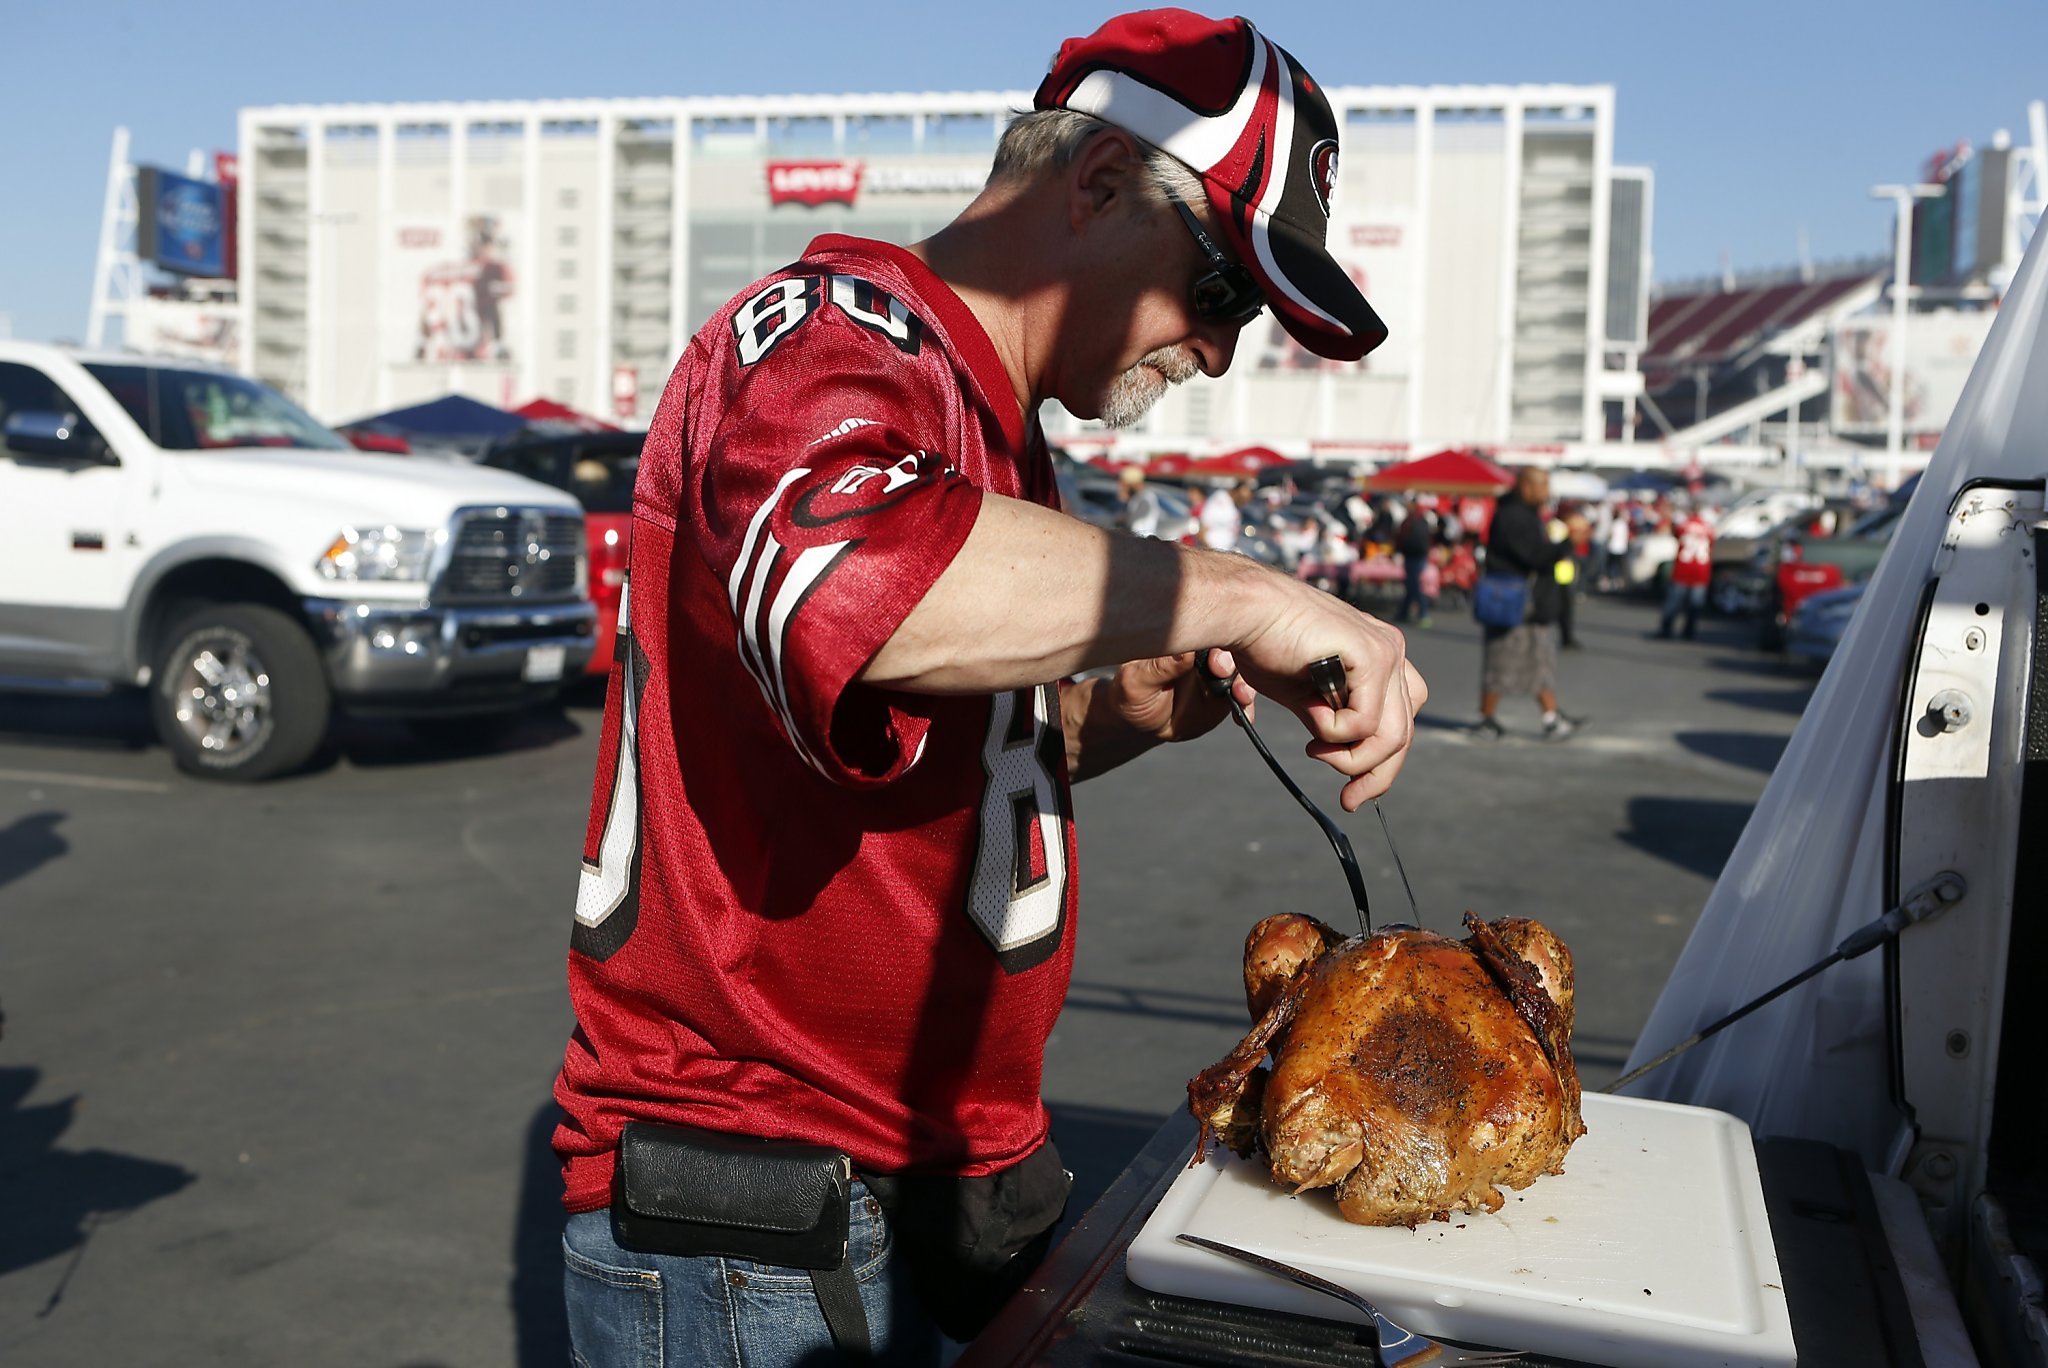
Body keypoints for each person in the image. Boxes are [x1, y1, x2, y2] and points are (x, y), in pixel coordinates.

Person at [551, 13, 1427, 1368]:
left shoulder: (985, 415)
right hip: (760, 1194)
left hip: (919, 1171)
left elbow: (890, 769)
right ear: (1097, 187)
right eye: (1222, 294)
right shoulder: (833, 328)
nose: (1220, 353)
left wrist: (1105, 720)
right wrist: (1246, 591)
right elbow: (846, 585)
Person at [1472, 466, 1579, 741]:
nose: (1547, 492)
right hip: (1513, 602)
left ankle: (1552, 716)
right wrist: (1565, 545)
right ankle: (1487, 719)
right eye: (1543, 485)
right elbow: (1533, 555)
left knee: (1539, 661)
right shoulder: (1514, 516)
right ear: (1526, 487)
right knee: (1501, 662)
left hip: (1528, 603)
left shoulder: (1522, 514)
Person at [1658, 498, 1715, 640]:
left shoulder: (1684, 525)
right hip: (1701, 571)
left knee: (1674, 602)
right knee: (1694, 606)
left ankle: (1667, 629)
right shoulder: (1708, 528)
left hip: (1683, 569)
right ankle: (1689, 632)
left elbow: (1676, 534)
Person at [1393, 498, 1435, 626]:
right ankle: (1403, 612)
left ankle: (1423, 613)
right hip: (1420, 556)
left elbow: (1401, 538)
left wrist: (1398, 550)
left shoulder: (1409, 521)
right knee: (1411, 584)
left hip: (1411, 556)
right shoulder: (1423, 520)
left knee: (1414, 585)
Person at [1116, 463, 1162, 538]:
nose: (1122, 488)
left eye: (1124, 485)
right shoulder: (1137, 497)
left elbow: (1137, 522)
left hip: (1142, 542)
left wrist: (1124, 520)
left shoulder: (1145, 497)